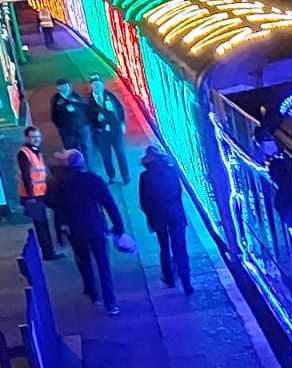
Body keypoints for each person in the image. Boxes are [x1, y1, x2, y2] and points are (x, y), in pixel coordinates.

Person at [46, 150, 126, 315]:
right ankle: (110, 302)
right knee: (103, 265)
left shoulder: (61, 184)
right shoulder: (93, 180)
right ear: (82, 164)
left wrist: (60, 232)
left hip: (76, 230)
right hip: (96, 227)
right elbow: (109, 204)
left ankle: (92, 292)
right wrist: (118, 227)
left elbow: (55, 207)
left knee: (83, 260)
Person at [138, 146, 191, 294]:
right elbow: (178, 192)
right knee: (180, 248)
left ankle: (169, 278)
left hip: (158, 216)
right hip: (175, 213)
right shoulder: (172, 171)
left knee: (164, 247)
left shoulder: (145, 177)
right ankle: (186, 282)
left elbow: (144, 201)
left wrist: (150, 219)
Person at [16, 127, 62, 260]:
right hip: (32, 196)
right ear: (27, 138)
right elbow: (26, 176)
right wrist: (30, 198)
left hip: (41, 193)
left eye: (38, 136)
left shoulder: (37, 152)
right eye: (33, 137)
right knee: (41, 225)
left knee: (51, 217)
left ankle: (56, 243)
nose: (36, 139)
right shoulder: (24, 153)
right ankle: (48, 253)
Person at [88, 74, 129, 184]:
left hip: (116, 130)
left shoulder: (110, 96)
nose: (97, 86)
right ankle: (111, 176)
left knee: (120, 153)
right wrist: (96, 120)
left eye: (99, 84)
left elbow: (119, 108)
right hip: (102, 134)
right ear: (91, 86)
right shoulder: (89, 101)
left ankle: (126, 176)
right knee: (106, 156)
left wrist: (122, 123)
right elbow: (88, 119)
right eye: (95, 84)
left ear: (102, 84)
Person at [50, 79, 90, 153]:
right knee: (71, 149)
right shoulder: (56, 99)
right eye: (62, 86)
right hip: (67, 130)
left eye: (67, 86)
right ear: (58, 88)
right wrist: (61, 126)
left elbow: (84, 107)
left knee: (85, 147)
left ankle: (86, 163)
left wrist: (85, 123)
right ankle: (75, 163)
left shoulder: (76, 95)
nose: (66, 88)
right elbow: (54, 115)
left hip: (81, 127)